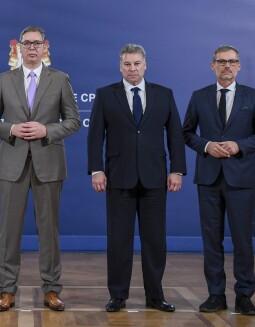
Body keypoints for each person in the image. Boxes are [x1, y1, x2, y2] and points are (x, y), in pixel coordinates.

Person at [0, 26, 80, 312]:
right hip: (12, 165)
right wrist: (11, 127)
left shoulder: (60, 79)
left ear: (45, 47)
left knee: (49, 232)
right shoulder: (4, 79)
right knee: (9, 232)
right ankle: (6, 290)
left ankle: (51, 289)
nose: (32, 48)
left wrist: (45, 130)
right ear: (19, 48)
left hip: (48, 164)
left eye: (38, 43)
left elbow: (73, 121)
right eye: (27, 43)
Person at [87, 44, 186, 313]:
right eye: (127, 64)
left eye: (137, 64)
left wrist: (177, 169)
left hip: (155, 179)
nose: (132, 69)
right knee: (118, 240)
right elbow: (96, 135)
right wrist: (96, 169)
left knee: (155, 241)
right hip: (118, 178)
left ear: (145, 65)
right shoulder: (106, 95)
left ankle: (155, 295)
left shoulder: (164, 95)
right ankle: (117, 296)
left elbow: (175, 135)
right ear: (120, 66)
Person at [183, 45, 255, 316]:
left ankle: (244, 295)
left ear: (239, 66)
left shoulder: (253, 97)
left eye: (232, 61)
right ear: (213, 66)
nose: (227, 66)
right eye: (222, 62)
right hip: (209, 178)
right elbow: (187, 133)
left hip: (241, 179)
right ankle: (215, 294)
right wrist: (207, 145)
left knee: (243, 240)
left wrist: (239, 145)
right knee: (212, 240)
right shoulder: (199, 97)